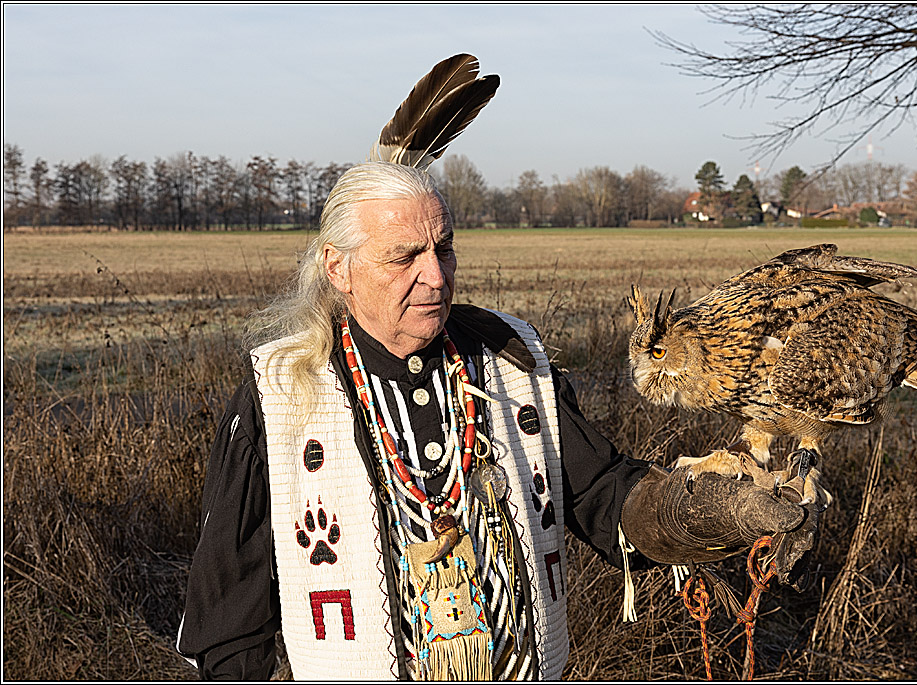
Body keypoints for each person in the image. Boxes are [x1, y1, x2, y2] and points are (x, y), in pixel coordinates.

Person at [176, 161, 811, 680]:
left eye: (444, 248)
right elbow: (230, 621)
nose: (435, 274)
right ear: (338, 267)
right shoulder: (280, 395)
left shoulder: (510, 359)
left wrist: (707, 510)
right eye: (404, 256)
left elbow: (602, 495)